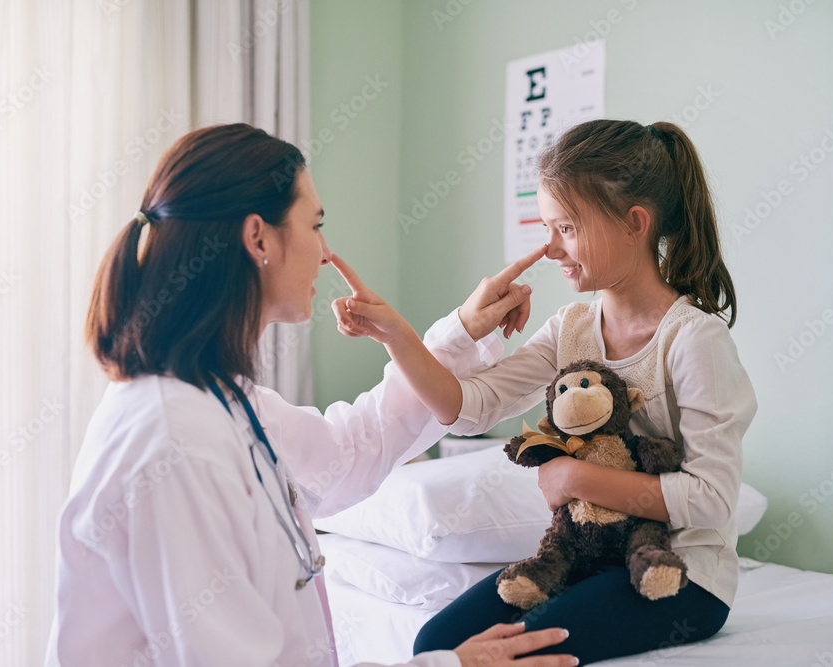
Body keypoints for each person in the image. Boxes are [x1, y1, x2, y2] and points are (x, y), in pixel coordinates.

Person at [44, 123, 578, 667]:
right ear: (258, 239)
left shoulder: (226, 402)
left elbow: (352, 449)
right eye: (315, 225)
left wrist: (460, 330)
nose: (325, 253)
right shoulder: (173, 442)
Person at [331, 119, 758, 665]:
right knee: (435, 647)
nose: (552, 249)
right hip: (590, 554)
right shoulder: (571, 327)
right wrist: (400, 334)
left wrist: (576, 477)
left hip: (681, 577)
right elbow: (466, 410)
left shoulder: (694, 338)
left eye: (567, 228)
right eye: (548, 228)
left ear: (634, 223)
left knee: (525, 647)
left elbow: (714, 499)